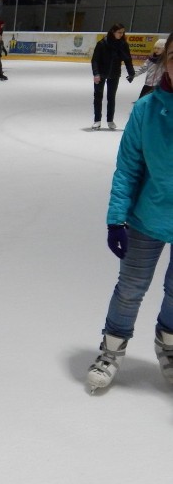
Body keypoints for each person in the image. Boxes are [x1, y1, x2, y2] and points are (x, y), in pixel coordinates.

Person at [86, 31, 173, 394]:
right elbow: (128, 169)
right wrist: (115, 218)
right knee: (130, 289)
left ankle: (168, 345)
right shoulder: (146, 110)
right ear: (166, 62)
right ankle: (111, 349)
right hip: (147, 216)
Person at [91, 24, 135, 130]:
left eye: (123, 32)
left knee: (111, 97)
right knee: (98, 97)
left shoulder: (123, 44)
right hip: (101, 74)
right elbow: (95, 60)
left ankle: (110, 120)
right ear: (113, 32)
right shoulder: (102, 43)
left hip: (115, 74)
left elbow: (127, 59)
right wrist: (96, 73)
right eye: (119, 32)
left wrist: (131, 73)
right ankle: (97, 120)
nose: (121, 34)